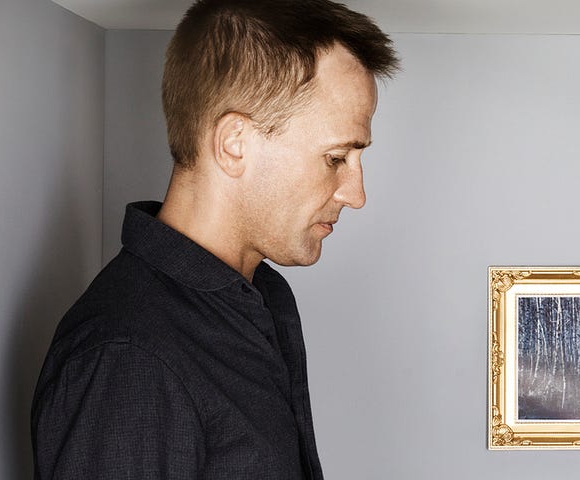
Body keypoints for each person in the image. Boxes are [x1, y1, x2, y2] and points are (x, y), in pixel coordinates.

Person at [30, 1, 398, 478]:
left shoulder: (266, 295)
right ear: (234, 144)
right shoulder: (128, 362)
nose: (357, 194)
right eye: (336, 159)